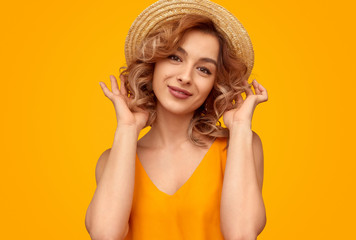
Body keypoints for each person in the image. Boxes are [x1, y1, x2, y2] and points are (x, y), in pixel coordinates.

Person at [85, 0, 268, 239]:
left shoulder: (238, 146)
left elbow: (242, 235)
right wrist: (127, 128)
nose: (185, 77)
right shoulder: (114, 159)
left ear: (215, 85)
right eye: (175, 58)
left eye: (204, 69)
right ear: (153, 65)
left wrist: (242, 127)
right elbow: (104, 235)